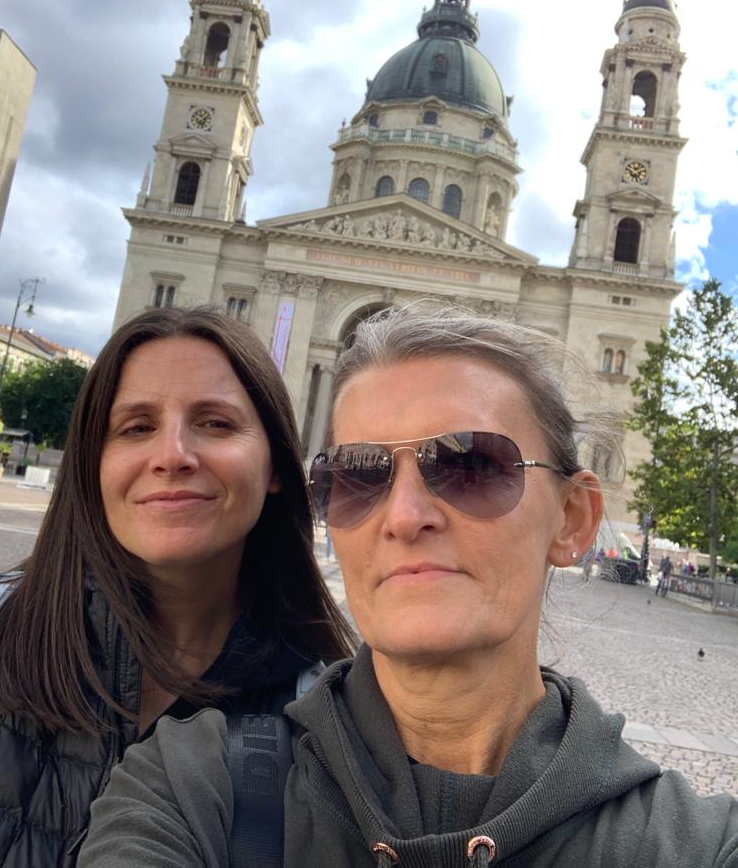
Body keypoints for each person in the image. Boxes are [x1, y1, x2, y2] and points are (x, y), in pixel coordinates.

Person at [79, 305, 738, 867]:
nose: (404, 516)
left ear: (572, 519)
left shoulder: (700, 845)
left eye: (474, 465)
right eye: (359, 474)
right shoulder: (186, 785)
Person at [0, 305, 356, 866]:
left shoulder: (328, 724)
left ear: (277, 464)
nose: (173, 455)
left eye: (216, 423)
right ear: (92, 463)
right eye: (137, 427)